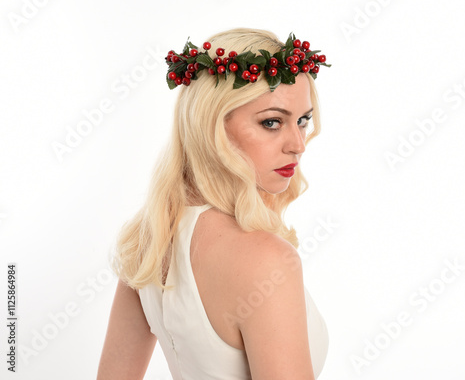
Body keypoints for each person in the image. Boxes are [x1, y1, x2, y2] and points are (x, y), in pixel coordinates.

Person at [97, 27, 330, 379]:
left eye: (302, 121)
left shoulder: (151, 238)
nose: (298, 143)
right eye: (272, 122)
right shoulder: (266, 259)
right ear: (212, 127)